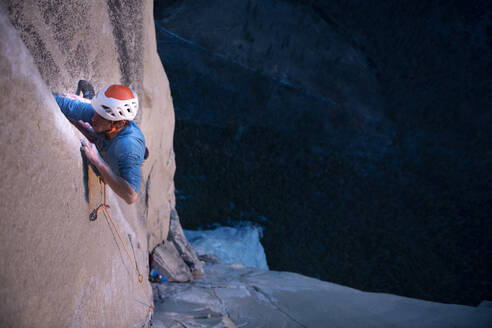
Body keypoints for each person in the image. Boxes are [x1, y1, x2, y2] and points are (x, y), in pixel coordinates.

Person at [54, 83, 146, 204]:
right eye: (97, 112)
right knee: (67, 98)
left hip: (113, 159)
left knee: (99, 162)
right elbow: (67, 105)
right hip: (104, 139)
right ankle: (89, 98)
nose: (93, 118)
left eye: (101, 116)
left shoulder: (127, 147)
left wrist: (98, 161)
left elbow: (130, 196)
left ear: (119, 124)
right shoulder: (101, 118)